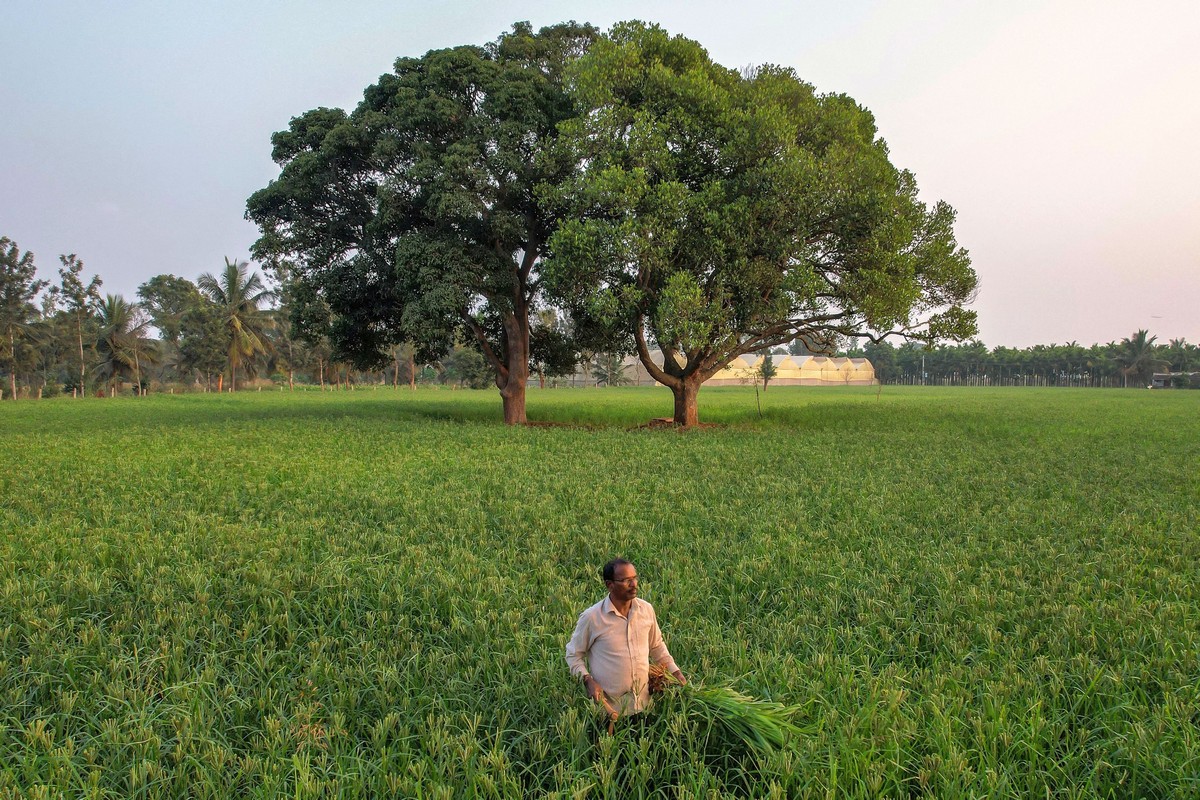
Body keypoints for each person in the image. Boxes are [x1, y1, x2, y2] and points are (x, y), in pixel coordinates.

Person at [565, 558, 686, 719]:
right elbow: (573, 655)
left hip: (644, 708)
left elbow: (656, 646)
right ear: (610, 585)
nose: (634, 584)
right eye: (626, 580)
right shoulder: (593, 617)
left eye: (635, 578)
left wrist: (676, 672)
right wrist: (587, 680)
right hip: (610, 713)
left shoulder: (646, 610)